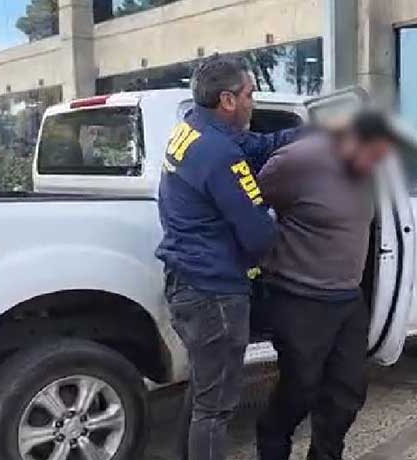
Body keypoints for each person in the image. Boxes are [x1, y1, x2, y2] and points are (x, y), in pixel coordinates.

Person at [156, 54, 298, 460]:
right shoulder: (220, 154)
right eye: (250, 94)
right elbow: (258, 235)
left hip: (188, 280)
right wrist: (280, 220)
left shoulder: (192, 129)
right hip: (214, 294)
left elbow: (257, 145)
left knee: (205, 392)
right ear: (228, 100)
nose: (254, 101)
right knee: (216, 409)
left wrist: (309, 133)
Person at [255, 110, 396, 460]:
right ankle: (272, 443)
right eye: (371, 156)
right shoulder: (297, 161)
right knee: (300, 389)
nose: (373, 166)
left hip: (348, 297)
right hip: (299, 296)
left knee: (347, 393)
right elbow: (248, 207)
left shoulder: (370, 168)